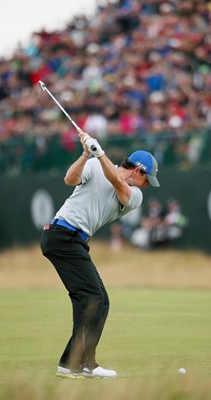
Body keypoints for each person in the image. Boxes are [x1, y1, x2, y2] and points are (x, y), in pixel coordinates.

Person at [40, 131, 160, 379]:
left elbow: (117, 182)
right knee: (91, 298)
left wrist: (100, 154)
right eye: (147, 179)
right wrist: (85, 155)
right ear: (138, 170)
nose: (147, 185)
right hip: (62, 235)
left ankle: (78, 362)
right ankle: (78, 363)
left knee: (99, 300)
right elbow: (69, 179)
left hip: (73, 241)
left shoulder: (134, 196)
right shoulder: (94, 164)